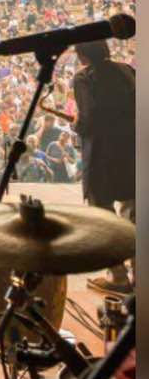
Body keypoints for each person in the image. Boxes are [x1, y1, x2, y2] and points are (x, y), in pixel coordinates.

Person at [70, 40, 135, 294]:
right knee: (134, 214)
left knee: (104, 217)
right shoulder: (127, 71)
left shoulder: (84, 78)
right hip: (132, 150)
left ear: (83, 55)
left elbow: (88, 119)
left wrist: (76, 124)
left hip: (101, 155)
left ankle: (118, 278)